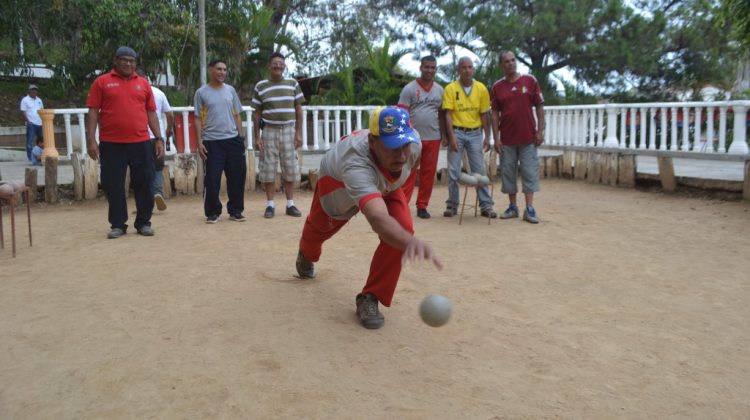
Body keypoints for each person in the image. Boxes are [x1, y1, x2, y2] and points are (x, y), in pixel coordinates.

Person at [295, 106, 443, 330]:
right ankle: (306, 254)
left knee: (402, 227)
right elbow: (377, 218)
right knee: (319, 229)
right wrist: (409, 242)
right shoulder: (355, 163)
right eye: (393, 147)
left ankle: (370, 297)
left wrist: (401, 220)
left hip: (384, 182)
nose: (402, 154)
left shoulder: (413, 145)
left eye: (405, 145)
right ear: (373, 141)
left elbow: (411, 168)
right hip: (337, 183)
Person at [86, 46, 164, 239]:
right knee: (113, 184)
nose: (128, 64)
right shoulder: (102, 82)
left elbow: (151, 113)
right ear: (116, 61)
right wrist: (91, 141)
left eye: (132, 61)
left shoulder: (144, 84)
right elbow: (93, 111)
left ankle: (144, 222)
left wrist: (159, 138)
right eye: (124, 60)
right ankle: (118, 224)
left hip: (141, 142)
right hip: (111, 143)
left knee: (145, 182)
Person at [491, 51, 545, 224]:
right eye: (506, 61)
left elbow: (539, 107)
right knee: (508, 173)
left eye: (513, 60)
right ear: (501, 65)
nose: (511, 63)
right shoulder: (497, 87)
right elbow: (494, 114)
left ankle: (529, 209)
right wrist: (496, 138)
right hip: (507, 139)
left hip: (528, 137)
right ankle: (512, 207)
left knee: (529, 172)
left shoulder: (530, 80)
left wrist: (540, 131)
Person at [441, 57, 496, 218]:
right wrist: (451, 137)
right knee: (453, 171)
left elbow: (484, 114)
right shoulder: (451, 88)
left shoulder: (481, 89)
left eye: (470, 67)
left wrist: (487, 136)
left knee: (479, 170)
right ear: (458, 70)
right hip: (457, 131)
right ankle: (452, 205)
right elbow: (448, 115)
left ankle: (486, 205)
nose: (467, 70)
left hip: (475, 133)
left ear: (474, 69)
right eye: (463, 67)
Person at [252, 52, 304, 219]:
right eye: (274, 63)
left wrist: (298, 133)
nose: (278, 66)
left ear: (284, 66)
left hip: (289, 130)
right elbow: (257, 114)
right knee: (268, 168)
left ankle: (290, 204)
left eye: (281, 63)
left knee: (290, 167)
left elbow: (298, 109)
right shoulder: (261, 86)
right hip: (269, 131)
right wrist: (257, 137)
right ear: (269, 66)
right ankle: (270, 205)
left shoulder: (292, 84)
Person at [194, 59, 247, 224]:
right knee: (212, 179)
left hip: (233, 141)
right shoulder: (201, 93)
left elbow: (237, 114)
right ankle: (212, 212)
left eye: (224, 69)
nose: (222, 72)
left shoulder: (230, 91)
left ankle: (236, 211)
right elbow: (196, 119)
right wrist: (199, 142)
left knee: (237, 178)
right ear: (211, 70)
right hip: (212, 142)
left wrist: (241, 137)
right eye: (218, 69)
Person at [398, 55, 446, 219]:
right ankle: (402, 205)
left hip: (433, 137)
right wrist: (403, 135)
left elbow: (442, 114)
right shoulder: (409, 89)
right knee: (409, 171)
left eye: (433, 68)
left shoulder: (440, 90)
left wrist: (444, 135)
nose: (429, 70)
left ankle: (422, 206)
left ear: (436, 70)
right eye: (427, 67)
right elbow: (402, 113)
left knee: (428, 173)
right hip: (412, 138)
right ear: (420, 68)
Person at [148, 80, 174, 212]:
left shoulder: (132, 91)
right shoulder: (159, 93)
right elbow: (169, 114)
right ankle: (157, 192)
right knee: (158, 166)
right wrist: (169, 129)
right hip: (157, 136)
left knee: (140, 169)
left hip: (139, 137)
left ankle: (144, 200)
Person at [20, 84, 44, 163]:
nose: (34, 91)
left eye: (35, 90)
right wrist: (28, 121)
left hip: (40, 123)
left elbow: (42, 111)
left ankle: (41, 156)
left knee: (41, 141)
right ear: (29, 91)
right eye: (32, 90)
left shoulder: (39, 100)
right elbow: (23, 111)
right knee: (29, 141)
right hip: (31, 123)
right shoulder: (25, 100)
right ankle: (30, 158)